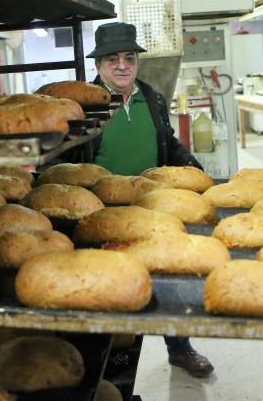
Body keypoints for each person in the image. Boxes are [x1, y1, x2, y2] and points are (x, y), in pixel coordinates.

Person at [88, 22, 214, 378]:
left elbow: (168, 144)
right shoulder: (83, 106)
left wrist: (191, 167)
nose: (122, 66)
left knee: (166, 279)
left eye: (129, 58)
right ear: (98, 66)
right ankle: (111, 363)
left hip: (154, 208)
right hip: (104, 214)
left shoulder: (151, 97)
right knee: (110, 289)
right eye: (112, 59)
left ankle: (180, 349)